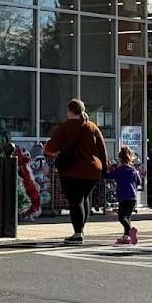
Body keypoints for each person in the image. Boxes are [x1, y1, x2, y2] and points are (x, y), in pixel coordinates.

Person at [43, 98, 107, 243]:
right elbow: (102, 149)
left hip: (71, 170)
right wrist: (104, 169)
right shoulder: (92, 127)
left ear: (69, 111)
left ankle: (78, 233)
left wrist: (56, 153)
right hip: (92, 170)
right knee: (84, 198)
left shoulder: (65, 127)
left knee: (75, 201)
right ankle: (81, 229)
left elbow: (50, 148)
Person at [105, 146, 142, 245]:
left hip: (123, 197)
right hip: (133, 197)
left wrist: (106, 169)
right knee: (127, 216)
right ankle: (126, 236)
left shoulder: (119, 170)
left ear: (120, 158)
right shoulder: (133, 170)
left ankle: (130, 230)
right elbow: (139, 182)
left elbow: (108, 176)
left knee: (121, 217)